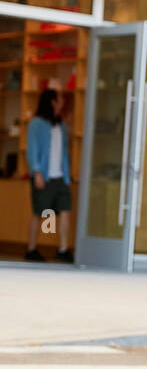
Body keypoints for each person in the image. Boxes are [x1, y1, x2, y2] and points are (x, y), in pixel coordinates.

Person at [25, 88, 74, 263]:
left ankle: (62, 249)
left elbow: (64, 153)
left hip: (60, 177)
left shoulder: (60, 125)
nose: (62, 101)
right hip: (43, 177)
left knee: (65, 211)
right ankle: (31, 249)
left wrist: (67, 178)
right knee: (39, 212)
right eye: (60, 98)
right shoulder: (36, 123)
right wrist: (36, 172)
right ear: (52, 101)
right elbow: (32, 150)